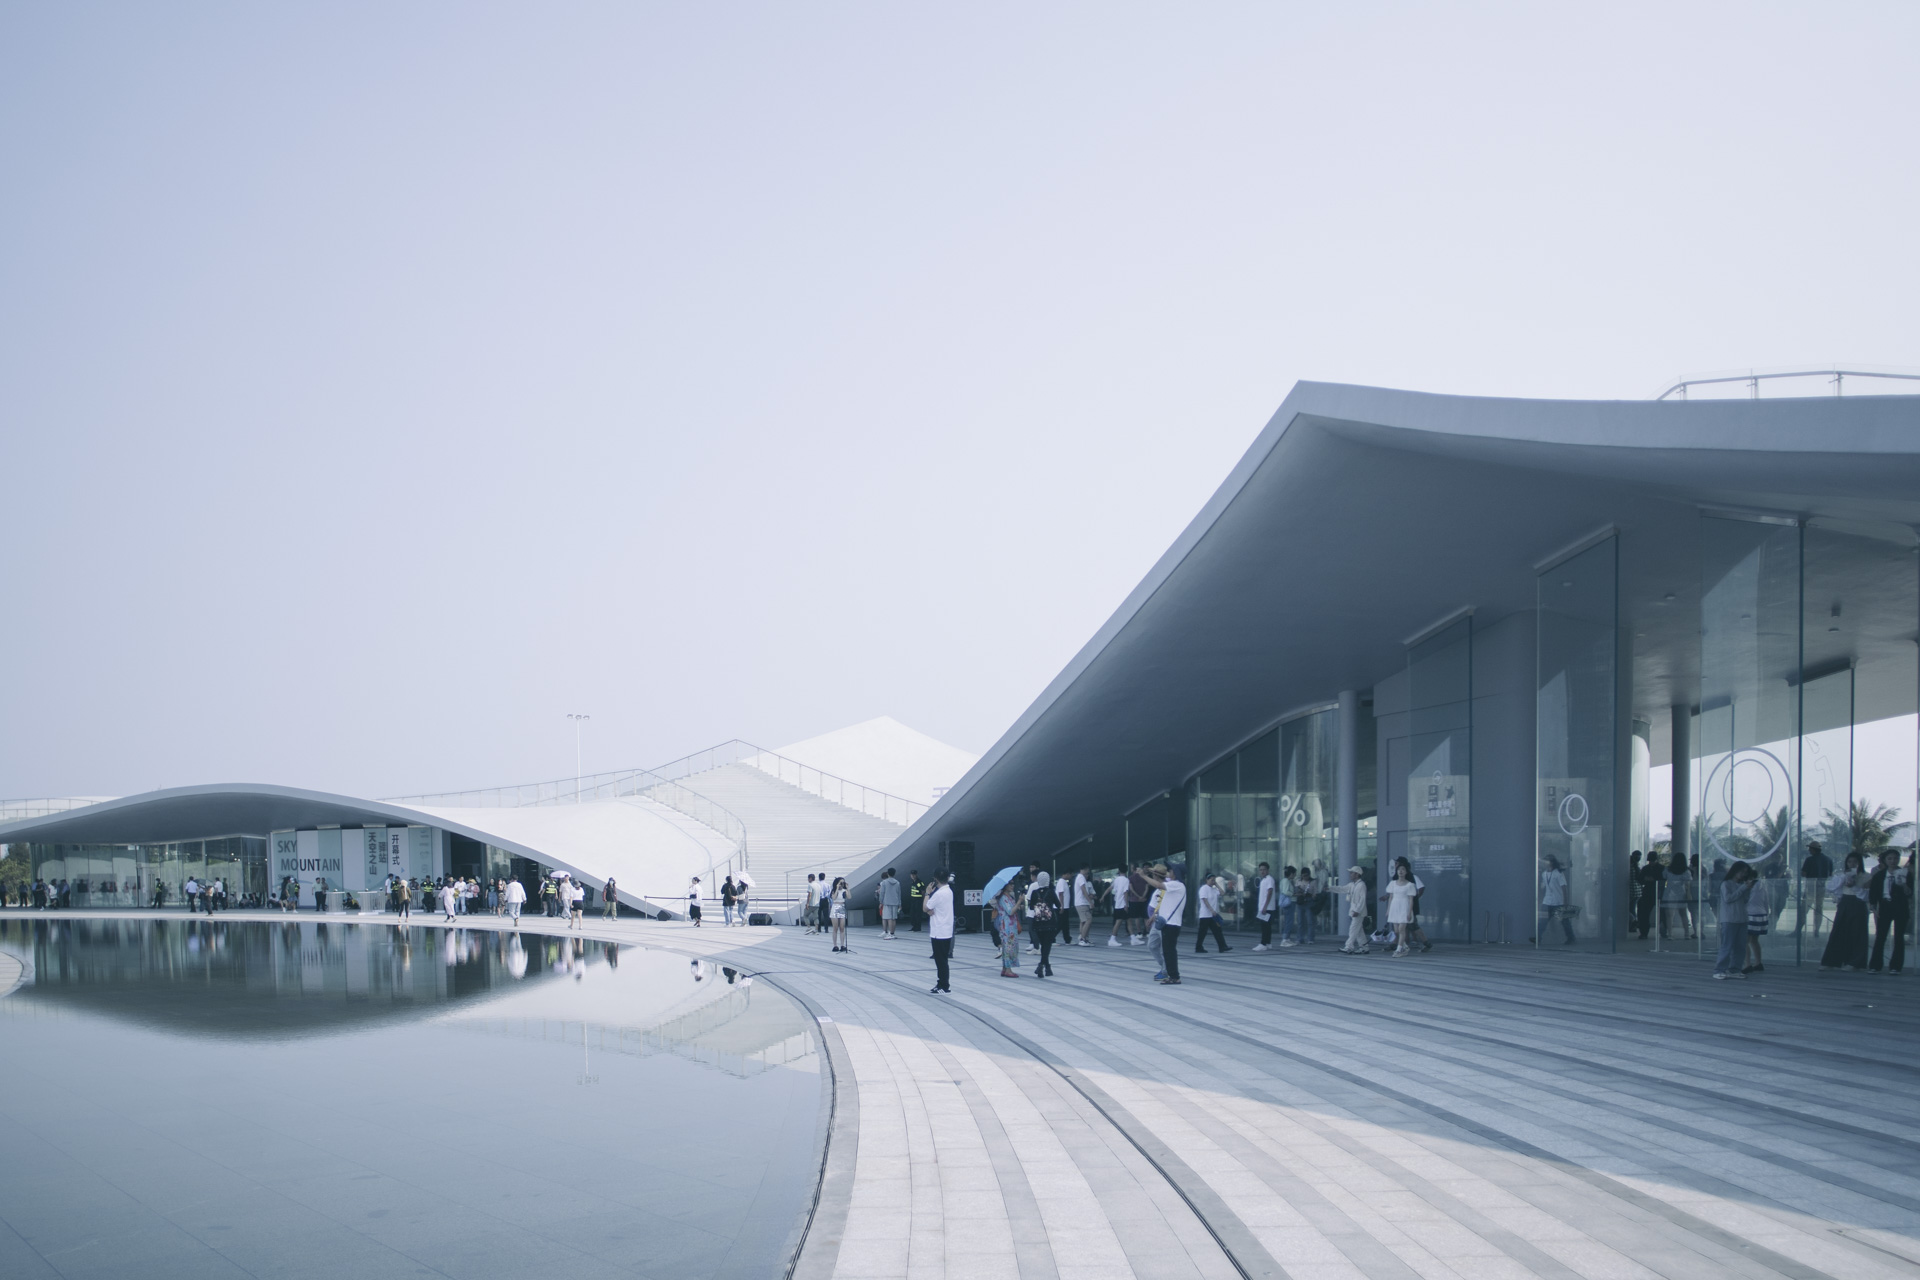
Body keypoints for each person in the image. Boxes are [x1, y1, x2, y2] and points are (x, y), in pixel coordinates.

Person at [1822, 852, 1872, 970]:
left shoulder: (1866, 876)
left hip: (1858, 904)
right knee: (1838, 931)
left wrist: (1854, 885)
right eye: (1849, 862)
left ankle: (1855, 962)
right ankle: (1832, 961)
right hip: (1845, 903)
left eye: (1855, 862)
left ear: (1860, 863)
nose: (1852, 864)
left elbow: (1865, 895)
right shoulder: (1842, 875)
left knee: (1857, 933)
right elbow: (1831, 888)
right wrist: (1843, 879)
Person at [1868, 849, 1910, 974]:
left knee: (1898, 937)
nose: (1893, 861)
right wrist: (1873, 907)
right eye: (1890, 858)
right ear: (1885, 860)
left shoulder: (1905, 873)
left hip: (1900, 907)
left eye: (1895, 858)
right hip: (1885, 906)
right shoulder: (1880, 875)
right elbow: (1873, 892)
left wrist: (1903, 884)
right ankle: (1875, 965)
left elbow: (1910, 893)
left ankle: (1895, 966)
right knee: (1880, 936)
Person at [1712, 861, 1754, 979]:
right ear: (1735, 871)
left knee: (1740, 946)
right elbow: (1728, 898)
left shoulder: (1741, 885)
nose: (1743, 875)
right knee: (1727, 945)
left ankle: (1735, 969)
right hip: (1729, 919)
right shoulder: (1726, 884)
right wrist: (1743, 888)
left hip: (1742, 918)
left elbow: (1745, 900)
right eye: (1741, 872)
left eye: (1745, 873)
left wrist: (1747, 889)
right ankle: (1719, 969)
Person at [1154, 867, 1187, 984]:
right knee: (1168, 951)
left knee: (1169, 951)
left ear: (1176, 873)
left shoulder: (1177, 885)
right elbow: (1160, 878)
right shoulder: (1174, 884)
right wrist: (1153, 871)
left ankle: (1174, 976)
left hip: (1171, 924)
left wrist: (1143, 876)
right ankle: (1172, 975)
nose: (1170, 872)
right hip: (1170, 924)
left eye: (1172, 870)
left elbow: (1159, 885)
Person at [1798, 840, 1834, 938]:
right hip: (1822, 887)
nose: (1809, 850)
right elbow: (1831, 874)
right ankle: (1816, 930)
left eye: (1810, 848)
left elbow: (1803, 873)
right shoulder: (1828, 860)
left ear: (1813, 850)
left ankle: (1799, 930)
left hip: (1810, 887)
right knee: (1819, 909)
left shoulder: (1809, 860)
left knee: (1803, 909)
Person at [926, 870, 954, 994]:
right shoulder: (949, 891)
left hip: (938, 930)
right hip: (946, 929)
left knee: (940, 960)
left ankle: (943, 985)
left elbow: (925, 907)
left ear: (936, 879)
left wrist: (927, 894)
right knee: (942, 960)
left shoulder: (938, 894)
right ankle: (942, 983)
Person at [1383, 861, 1420, 957]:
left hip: (1404, 907)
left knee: (1401, 929)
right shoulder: (1393, 883)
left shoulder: (1410, 885)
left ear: (1406, 872)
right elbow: (1390, 897)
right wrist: (1388, 910)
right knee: (1396, 931)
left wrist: (1409, 912)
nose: (1401, 871)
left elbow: (1411, 900)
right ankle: (1404, 946)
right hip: (1395, 907)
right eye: (1399, 870)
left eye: (1403, 870)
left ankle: (1399, 949)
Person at [1028, 872, 1058, 977]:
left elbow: (1031, 907)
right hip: (1050, 922)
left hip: (1038, 923)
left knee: (1043, 945)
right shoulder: (1051, 892)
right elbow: (1058, 904)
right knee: (1047, 945)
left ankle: (1045, 967)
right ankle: (1043, 966)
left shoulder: (1034, 893)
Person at [1540, 855, 1574, 945]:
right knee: (1542, 921)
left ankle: (1571, 938)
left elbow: (1564, 888)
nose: (1545, 863)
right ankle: (1538, 937)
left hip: (1558, 902)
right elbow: (1544, 886)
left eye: (1546, 861)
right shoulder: (1544, 874)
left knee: (1565, 922)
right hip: (1547, 901)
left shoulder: (1558, 873)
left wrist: (1565, 902)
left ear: (1551, 862)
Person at [1744, 866, 1771, 974]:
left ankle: (1747, 964)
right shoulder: (1762, 885)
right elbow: (1766, 900)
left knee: (1745, 941)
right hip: (1762, 914)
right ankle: (1758, 962)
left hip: (1751, 914)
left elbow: (1746, 900)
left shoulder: (1749, 887)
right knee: (1754, 940)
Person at [992, 879, 1022, 975]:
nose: (1012, 885)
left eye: (1013, 883)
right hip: (1007, 926)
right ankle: (1008, 969)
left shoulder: (1009, 897)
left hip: (1011, 925)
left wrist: (1018, 905)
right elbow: (1010, 911)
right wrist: (1019, 902)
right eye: (1010, 884)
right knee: (1009, 946)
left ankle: (1005, 968)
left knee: (1009, 946)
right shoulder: (1003, 898)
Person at [1193, 874, 1230, 953]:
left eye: (1214, 880)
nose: (1213, 881)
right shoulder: (1204, 888)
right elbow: (1204, 900)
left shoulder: (1214, 889)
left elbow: (1222, 893)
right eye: (1211, 880)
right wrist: (1211, 910)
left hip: (1213, 915)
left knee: (1218, 931)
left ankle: (1222, 946)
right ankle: (1198, 947)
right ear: (1207, 880)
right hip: (1205, 915)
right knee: (1202, 932)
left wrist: (1217, 884)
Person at [1661, 851, 1693, 940]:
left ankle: (1670, 934)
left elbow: (1664, 877)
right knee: (1683, 914)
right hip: (1681, 893)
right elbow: (1688, 884)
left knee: (1669, 916)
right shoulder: (1686, 871)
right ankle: (1686, 933)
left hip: (1669, 893)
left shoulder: (1668, 869)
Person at [1340, 866, 1371, 954]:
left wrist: (1357, 910)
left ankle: (1349, 946)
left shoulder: (1361, 885)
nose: (1350, 874)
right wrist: (1331, 888)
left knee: (1353, 929)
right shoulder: (1352, 885)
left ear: (1357, 874)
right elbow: (1342, 889)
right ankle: (1364, 947)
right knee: (1359, 931)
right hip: (1354, 911)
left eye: (1352, 873)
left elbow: (1362, 899)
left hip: (1358, 912)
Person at [1250, 862, 1277, 952]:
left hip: (1267, 908)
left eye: (1264, 869)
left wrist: (1265, 906)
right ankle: (1268, 943)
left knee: (1265, 927)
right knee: (1267, 926)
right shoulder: (1263, 880)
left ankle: (1263, 943)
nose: (1262, 871)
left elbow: (1270, 892)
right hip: (1263, 907)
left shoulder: (1269, 879)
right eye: (1261, 870)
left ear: (1268, 870)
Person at [1106, 866, 1134, 947]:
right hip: (1123, 904)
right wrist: (1126, 904)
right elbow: (1125, 892)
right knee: (1119, 922)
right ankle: (1112, 939)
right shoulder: (1126, 880)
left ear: (1119, 870)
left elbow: (1110, 888)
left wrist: (1103, 896)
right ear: (1126, 871)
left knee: (1128, 920)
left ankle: (1133, 938)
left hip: (1117, 903)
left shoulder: (1116, 879)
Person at [1293, 866, 1319, 944]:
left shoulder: (1313, 882)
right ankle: (1300, 938)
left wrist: (1313, 895)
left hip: (1309, 901)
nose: (1305, 877)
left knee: (1310, 921)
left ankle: (1310, 938)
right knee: (1300, 921)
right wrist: (1299, 892)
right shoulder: (1298, 881)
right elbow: (1295, 892)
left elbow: (1316, 892)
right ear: (1301, 875)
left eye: (1307, 875)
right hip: (1300, 902)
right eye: (1304, 875)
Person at [877, 868, 902, 939]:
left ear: (888, 873)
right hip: (895, 902)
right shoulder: (897, 882)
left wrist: (881, 902)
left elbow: (882, 893)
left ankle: (890, 934)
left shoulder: (884, 882)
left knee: (888, 918)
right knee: (893, 918)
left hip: (887, 902)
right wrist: (900, 904)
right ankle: (892, 933)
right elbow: (899, 893)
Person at [1073, 863, 1094, 946]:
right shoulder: (1081, 877)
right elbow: (1083, 890)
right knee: (1088, 920)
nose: (1088, 872)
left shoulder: (1079, 877)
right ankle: (1082, 939)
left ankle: (1084, 938)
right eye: (1088, 870)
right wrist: (1090, 902)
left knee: (1083, 921)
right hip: (1082, 902)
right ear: (1086, 869)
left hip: (1080, 902)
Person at [830, 876, 850, 951]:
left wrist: (847, 888)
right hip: (835, 907)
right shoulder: (834, 890)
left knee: (842, 928)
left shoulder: (844, 890)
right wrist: (837, 888)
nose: (842, 884)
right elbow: (834, 898)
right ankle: (835, 945)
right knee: (835, 928)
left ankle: (842, 945)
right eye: (840, 883)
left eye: (843, 883)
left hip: (842, 907)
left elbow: (849, 897)